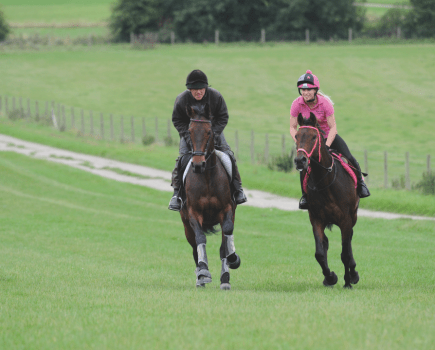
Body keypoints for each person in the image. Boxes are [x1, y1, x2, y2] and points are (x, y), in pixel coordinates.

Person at [289, 69, 370, 210]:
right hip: (308, 140)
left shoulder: (325, 103)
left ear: (315, 90)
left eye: (309, 90)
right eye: (302, 90)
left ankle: (361, 186)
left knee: (349, 157)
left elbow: (333, 128)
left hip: (328, 137)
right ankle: (305, 197)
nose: (305, 92)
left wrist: (326, 145)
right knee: (302, 164)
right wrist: (300, 142)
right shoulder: (296, 104)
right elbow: (292, 127)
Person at [168, 69, 247, 211]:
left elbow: (223, 117)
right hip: (190, 134)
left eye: (201, 89)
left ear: (206, 88)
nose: (199, 92)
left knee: (228, 155)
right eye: (195, 90)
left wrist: (213, 134)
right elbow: (177, 120)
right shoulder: (181, 100)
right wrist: (187, 136)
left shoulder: (216, 96)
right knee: (182, 159)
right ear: (189, 90)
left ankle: (237, 189)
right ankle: (177, 194)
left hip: (213, 132)